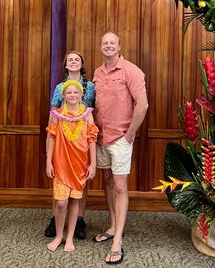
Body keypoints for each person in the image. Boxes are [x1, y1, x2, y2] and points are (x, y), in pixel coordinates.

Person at [93, 31, 148, 265]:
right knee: (106, 182)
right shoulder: (97, 72)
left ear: (119, 46)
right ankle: (113, 226)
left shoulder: (132, 71)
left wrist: (129, 135)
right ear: (101, 47)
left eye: (111, 43)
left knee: (119, 187)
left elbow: (142, 105)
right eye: (104, 43)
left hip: (120, 139)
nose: (108, 46)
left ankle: (118, 242)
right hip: (100, 137)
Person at [45, 51, 95, 240]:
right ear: (65, 65)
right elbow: (53, 114)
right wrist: (48, 149)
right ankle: (55, 218)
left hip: (82, 137)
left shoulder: (90, 87)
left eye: (77, 59)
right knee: (59, 182)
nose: (73, 62)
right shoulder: (59, 87)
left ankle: (79, 219)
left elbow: (93, 110)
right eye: (70, 60)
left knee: (81, 183)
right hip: (62, 138)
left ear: (82, 64)